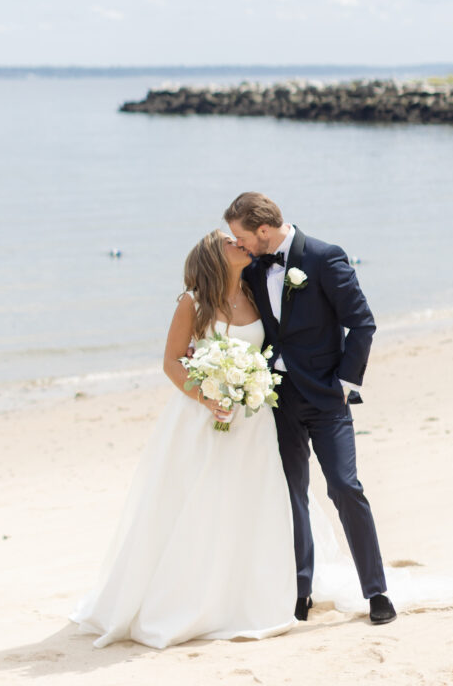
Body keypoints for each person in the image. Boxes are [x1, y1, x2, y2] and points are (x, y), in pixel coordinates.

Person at [70, 230, 297, 648]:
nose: (241, 244)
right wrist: (208, 397)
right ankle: (191, 600)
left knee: (249, 503)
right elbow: (172, 362)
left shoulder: (253, 291)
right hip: (202, 419)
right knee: (200, 503)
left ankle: (244, 594)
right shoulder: (192, 303)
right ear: (214, 254)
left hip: (252, 419)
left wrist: (251, 388)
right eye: (231, 241)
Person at [224, 191, 397, 626]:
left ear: (263, 231)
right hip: (276, 399)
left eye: (242, 237)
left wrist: (344, 383)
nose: (240, 245)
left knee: (344, 486)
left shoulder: (323, 256)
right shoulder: (254, 265)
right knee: (290, 495)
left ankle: (376, 591)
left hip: (325, 398)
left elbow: (362, 322)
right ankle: (301, 592)